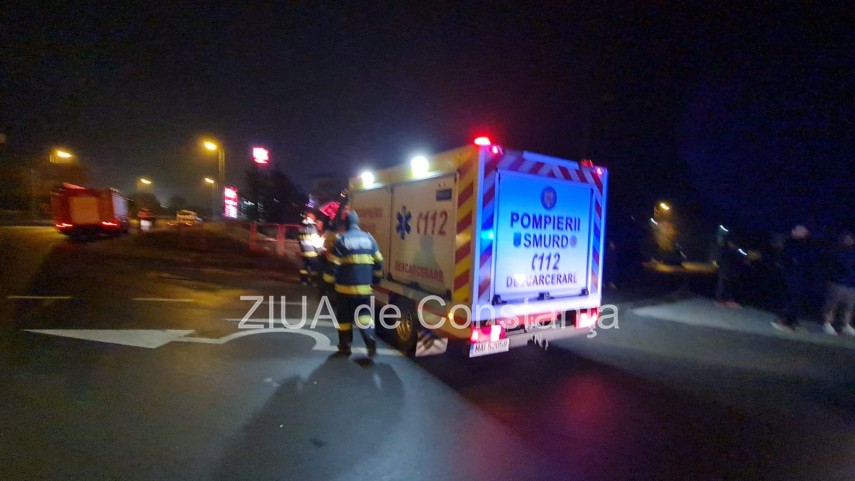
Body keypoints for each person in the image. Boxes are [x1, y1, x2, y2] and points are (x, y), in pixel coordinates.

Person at [323, 210, 383, 359]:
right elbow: (379, 261)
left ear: (346, 224)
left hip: (344, 289)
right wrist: (376, 279)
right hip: (364, 289)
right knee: (364, 315)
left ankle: (345, 347)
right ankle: (369, 338)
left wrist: (327, 284)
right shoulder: (370, 239)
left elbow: (333, 266)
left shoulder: (341, 240)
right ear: (358, 223)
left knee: (344, 319)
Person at [771, 224, 818, 332]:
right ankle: (781, 320)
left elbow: (809, 258)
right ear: (794, 231)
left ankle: (791, 321)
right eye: (801, 231)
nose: (804, 234)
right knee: (791, 297)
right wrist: (794, 264)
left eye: (805, 232)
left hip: (801, 275)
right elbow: (786, 257)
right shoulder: (789, 242)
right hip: (790, 274)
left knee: (798, 298)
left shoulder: (805, 244)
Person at [822, 231, 855, 336]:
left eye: (851, 238)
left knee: (849, 306)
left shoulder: (853, 253)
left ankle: (845, 325)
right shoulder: (836, 251)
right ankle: (827, 323)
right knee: (832, 305)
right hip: (837, 282)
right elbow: (832, 265)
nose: (849, 240)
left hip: (851, 284)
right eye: (847, 238)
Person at [715, 237, 742, 308]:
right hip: (724, 269)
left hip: (731, 270)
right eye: (732, 243)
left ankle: (729, 300)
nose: (733, 245)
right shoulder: (725, 251)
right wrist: (723, 268)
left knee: (729, 285)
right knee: (722, 285)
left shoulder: (735, 250)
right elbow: (719, 261)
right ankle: (720, 300)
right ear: (729, 243)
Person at [297, 212, 322, 285]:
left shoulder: (301, 229)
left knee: (303, 268)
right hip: (312, 253)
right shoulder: (313, 229)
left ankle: (304, 281)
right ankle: (314, 282)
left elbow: (299, 240)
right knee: (314, 269)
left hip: (303, 252)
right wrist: (319, 250)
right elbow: (316, 242)